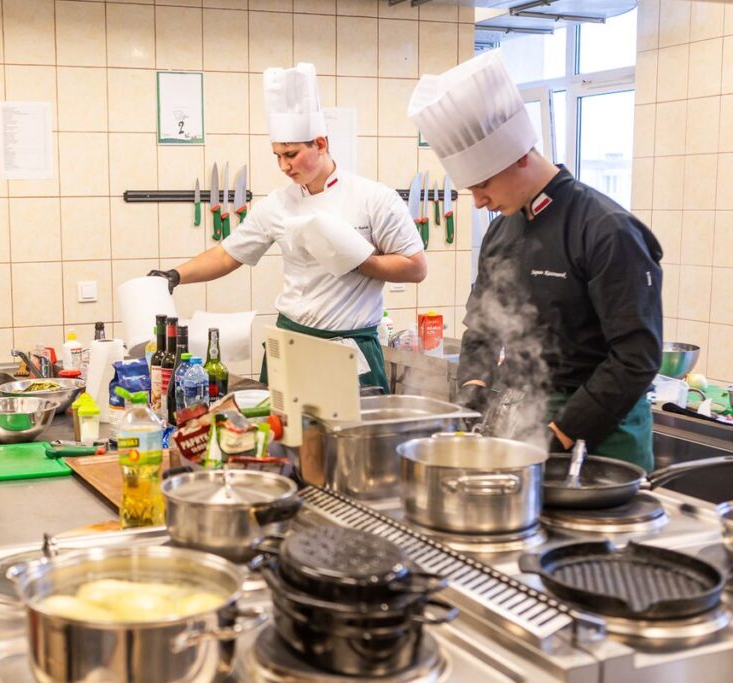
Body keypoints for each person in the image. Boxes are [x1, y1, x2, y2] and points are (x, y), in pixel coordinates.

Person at [408, 51, 663, 469]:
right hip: (524, 416)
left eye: (483, 184)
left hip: (603, 436)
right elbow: (482, 328)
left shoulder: (607, 230)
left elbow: (636, 358)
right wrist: (472, 389)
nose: (478, 202)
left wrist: (559, 433)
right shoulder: (501, 229)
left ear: (521, 156)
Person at [149, 63, 426, 392]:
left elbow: (415, 268)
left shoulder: (374, 198)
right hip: (290, 343)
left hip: (352, 350)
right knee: (281, 441)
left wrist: (361, 262)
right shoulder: (277, 204)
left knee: (350, 441)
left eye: (291, 154)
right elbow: (228, 254)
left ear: (320, 144)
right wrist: (174, 276)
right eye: (277, 156)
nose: (284, 166)